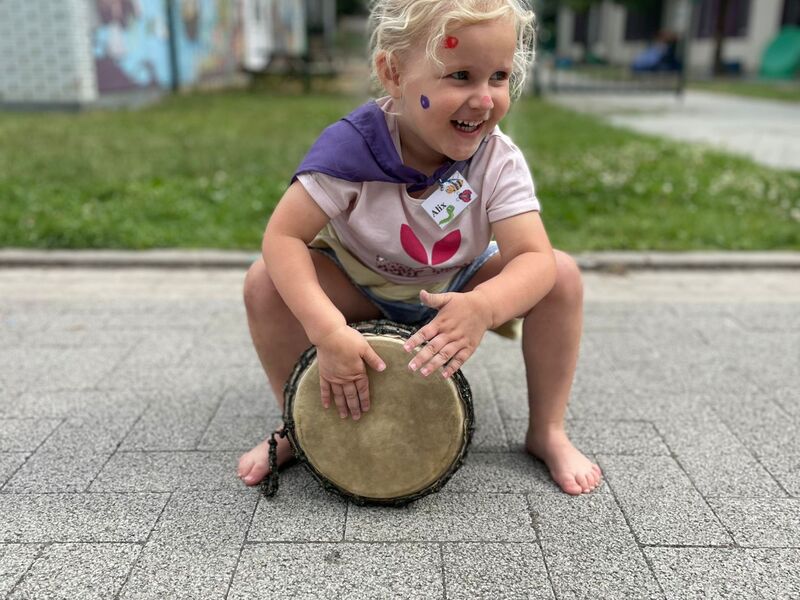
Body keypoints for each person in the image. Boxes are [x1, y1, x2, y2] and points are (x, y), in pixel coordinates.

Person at [237, 0, 602, 495]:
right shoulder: (353, 149)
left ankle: (548, 430)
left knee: (560, 276)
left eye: (498, 76)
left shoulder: (496, 159)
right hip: (358, 285)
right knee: (264, 282)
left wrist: (483, 306)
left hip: (454, 287)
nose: (484, 99)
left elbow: (534, 258)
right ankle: (298, 423)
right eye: (460, 76)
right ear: (392, 74)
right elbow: (282, 237)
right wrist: (324, 329)